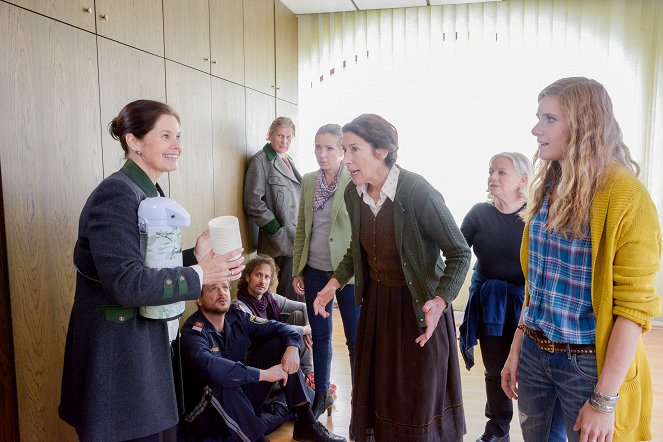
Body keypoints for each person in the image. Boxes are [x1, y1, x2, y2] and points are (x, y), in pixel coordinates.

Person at [58, 99, 245, 442]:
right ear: (134, 141)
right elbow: (127, 283)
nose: (178, 145)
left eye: (179, 136)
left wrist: (195, 255)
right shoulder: (116, 194)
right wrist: (202, 274)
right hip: (118, 361)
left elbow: (146, 266)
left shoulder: (148, 191)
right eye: (166, 136)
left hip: (140, 353)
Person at [500, 77, 662, 442]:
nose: (535, 128)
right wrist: (517, 349)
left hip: (588, 365)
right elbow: (537, 287)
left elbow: (634, 310)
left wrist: (604, 401)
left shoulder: (627, 197)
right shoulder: (549, 185)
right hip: (535, 354)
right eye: (538, 117)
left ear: (585, 124)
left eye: (549, 119)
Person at [315, 114, 472, 441]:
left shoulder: (417, 192)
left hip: (419, 312)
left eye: (354, 149)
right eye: (344, 150)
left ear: (382, 151)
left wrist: (440, 302)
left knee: (416, 402)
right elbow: (357, 252)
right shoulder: (353, 195)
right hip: (377, 310)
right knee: (381, 398)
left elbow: (459, 252)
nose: (345, 160)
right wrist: (332, 284)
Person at [179, 281, 346, 442]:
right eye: (213, 289)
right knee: (222, 381)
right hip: (208, 415)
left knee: (280, 344)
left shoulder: (236, 316)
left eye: (224, 287)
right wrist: (264, 374)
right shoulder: (193, 332)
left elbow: (282, 328)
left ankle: (306, 423)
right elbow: (213, 369)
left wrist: (293, 348)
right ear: (199, 300)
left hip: (240, 402)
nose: (222, 293)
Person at [458, 152, 530, 442]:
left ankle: (535, 429)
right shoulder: (478, 213)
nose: (493, 177)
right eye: (491, 171)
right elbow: (458, 254)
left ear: (522, 180)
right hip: (490, 304)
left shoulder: (536, 216)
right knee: (494, 369)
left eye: (502, 172)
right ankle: (498, 429)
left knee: (530, 372)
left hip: (527, 305)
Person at [292, 123, 360, 418]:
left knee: (356, 339)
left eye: (329, 148)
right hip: (314, 271)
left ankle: (362, 397)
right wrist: (298, 269)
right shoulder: (308, 181)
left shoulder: (354, 180)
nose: (322, 154)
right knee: (320, 337)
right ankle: (321, 396)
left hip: (348, 275)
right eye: (317, 147)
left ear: (342, 151)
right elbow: (302, 229)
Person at [244, 116, 301, 301]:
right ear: (270, 135)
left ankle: (296, 328)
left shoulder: (288, 159)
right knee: (289, 293)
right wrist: (277, 229)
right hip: (279, 240)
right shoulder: (260, 161)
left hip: (296, 238)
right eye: (280, 136)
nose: (284, 141)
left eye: (289, 137)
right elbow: (253, 203)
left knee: (295, 291)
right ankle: (290, 329)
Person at [234, 255, 314, 377]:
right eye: (258, 275)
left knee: (299, 316)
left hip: (272, 345)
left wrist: (308, 327)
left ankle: (308, 373)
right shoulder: (239, 305)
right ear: (247, 277)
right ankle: (297, 377)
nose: (262, 281)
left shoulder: (269, 298)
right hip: (254, 360)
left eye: (267, 277)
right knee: (281, 337)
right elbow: (268, 326)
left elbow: (304, 306)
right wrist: (303, 330)